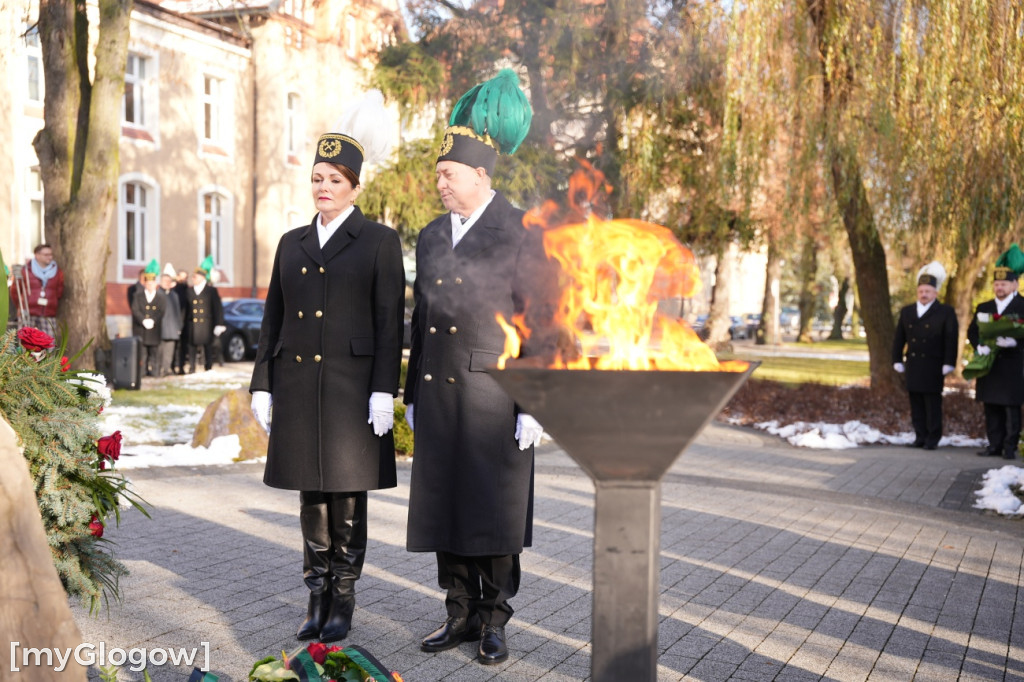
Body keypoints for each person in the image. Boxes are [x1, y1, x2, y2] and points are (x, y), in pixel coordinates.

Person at [403, 69, 554, 666]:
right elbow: (421, 318)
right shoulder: (431, 236)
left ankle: (494, 619)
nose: (439, 183)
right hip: (440, 390)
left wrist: (536, 402)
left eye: (448, 173)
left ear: (480, 173)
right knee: (447, 505)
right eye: (437, 173)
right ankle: (458, 613)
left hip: (496, 394)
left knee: (493, 511)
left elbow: (541, 322)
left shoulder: (521, 232)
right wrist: (411, 389)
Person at [248, 89, 404, 644]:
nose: (323, 187)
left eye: (335, 180)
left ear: (356, 186)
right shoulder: (291, 244)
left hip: (351, 391)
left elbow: (390, 325)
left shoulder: (380, 243)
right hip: (297, 385)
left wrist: (385, 391)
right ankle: (315, 592)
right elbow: (273, 319)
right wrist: (262, 384)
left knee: (345, 495)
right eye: (317, 177)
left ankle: (344, 596)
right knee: (309, 494)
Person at [892, 261, 958, 450]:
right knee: (916, 402)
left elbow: (951, 338)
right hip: (913, 363)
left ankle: (933, 437)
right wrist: (896, 358)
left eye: (928, 291)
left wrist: (949, 362)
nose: (924, 294)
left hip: (934, 364)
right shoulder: (908, 311)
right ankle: (919, 436)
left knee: (932, 402)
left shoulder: (945, 312)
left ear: (935, 293)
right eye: (921, 291)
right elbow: (899, 337)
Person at [968, 244, 1024, 460]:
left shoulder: (1022, 306)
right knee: (991, 406)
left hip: (1013, 365)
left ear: (1015, 284)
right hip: (988, 364)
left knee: (1010, 408)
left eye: (1003, 284)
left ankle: (1009, 448)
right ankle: (994, 445)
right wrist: (978, 346)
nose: (999, 287)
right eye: (996, 284)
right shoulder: (984, 307)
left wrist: (1015, 343)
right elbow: (973, 331)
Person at [10, 244, 64, 340]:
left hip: (48, 313)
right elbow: (15, 291)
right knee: (25, 342)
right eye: (46, 255)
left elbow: (59, 291)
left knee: (49, 343)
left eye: (51, 254)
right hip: (28, 312)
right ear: (37, 255)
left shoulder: (57, 272)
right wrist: (20, 306)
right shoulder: (26, 270)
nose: (49, 257)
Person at [182, 256, 225, 373]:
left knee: (207, 346)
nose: (193, 279)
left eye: (195, 277)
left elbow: (217, 308)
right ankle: (192, 367)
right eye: (193, 277)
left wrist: (219, 324)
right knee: (191, 346)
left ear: (202, 277)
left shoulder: (211, 291)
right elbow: (185, 309)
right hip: (192, 323)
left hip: (206, 323)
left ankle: (208, 367)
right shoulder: (189, 291)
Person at [130, 260, 167, 377]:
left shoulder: (161, 297)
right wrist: (143, 320)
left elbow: (161, 310)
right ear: (145, 283)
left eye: (152, 283)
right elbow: (135, 309)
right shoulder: (138, 296)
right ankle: (142, 373)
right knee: (143, 352)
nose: (150, 285)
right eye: (148, 283)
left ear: (155, 284)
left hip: (154, 329)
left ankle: (155, 372)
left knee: (154, 352)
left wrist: (153, 320)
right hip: (141, 328)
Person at [158, 265, 184, 377]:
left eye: (169, 281)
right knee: (160, 351)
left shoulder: (174, 295)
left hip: (172, 327)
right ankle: (158, 369)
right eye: (165, 281)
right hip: (161, 327)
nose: (167, 283)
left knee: (170, 351)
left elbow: (177, 311)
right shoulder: (158, 294)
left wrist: (179, 326)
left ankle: (167, 369)